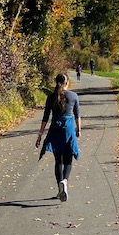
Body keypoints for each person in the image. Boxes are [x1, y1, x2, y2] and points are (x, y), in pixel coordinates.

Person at [35, 73, 80, 201]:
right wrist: (79, 129)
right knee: (68, 160)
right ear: (67, 83)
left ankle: (60, 188)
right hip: (68, 129)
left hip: (55, 129)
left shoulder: (50, 97)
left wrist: (40, 135)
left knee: (58, 161)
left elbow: (45, 118)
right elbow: (77, 114)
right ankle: (64, 181)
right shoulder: (73, 96)